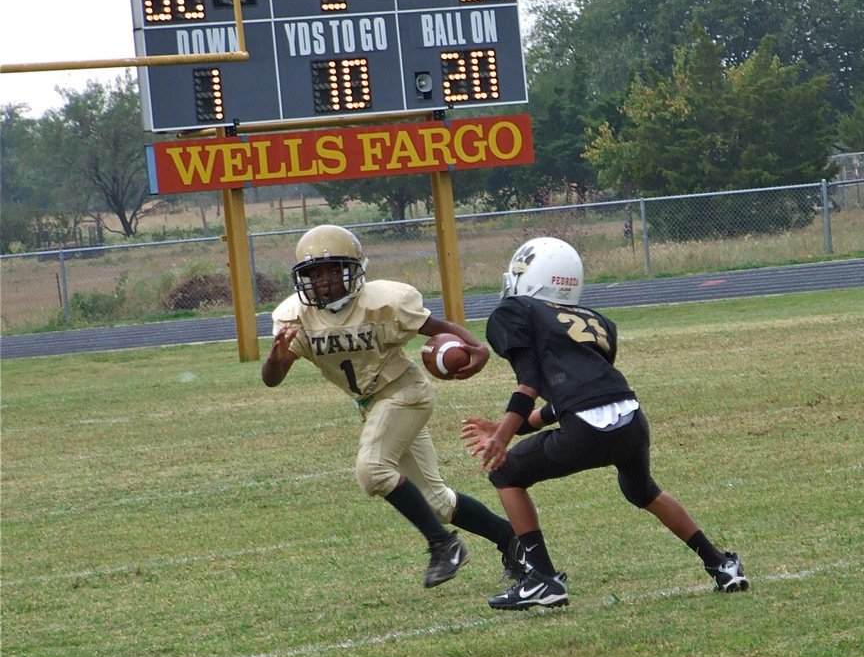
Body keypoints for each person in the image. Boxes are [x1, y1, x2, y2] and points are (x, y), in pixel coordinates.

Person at [459, 237, 748, 611]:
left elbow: (529, 383)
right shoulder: (596, 321)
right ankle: (721, 564)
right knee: (643, 491)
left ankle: (541, 578)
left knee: (506, 473)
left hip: (586, 427)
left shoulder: (514, 311)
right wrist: (508, 425)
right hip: (630, 417)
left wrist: (501, 436)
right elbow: (574, 399)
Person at [262, 224, 518, 588]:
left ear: (352, 271)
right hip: (372, 403)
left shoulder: (383, 302)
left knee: (372, 470)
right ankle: (514, 541)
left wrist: (477, 347)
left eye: (331, 272)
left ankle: (443, 544)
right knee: (437, 503)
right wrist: (275, 356)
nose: (322, 283)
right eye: (313, 275)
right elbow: (272, 378)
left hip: (405, 393)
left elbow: (435, 326)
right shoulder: (296, 316)